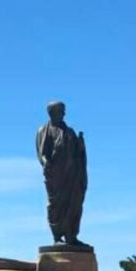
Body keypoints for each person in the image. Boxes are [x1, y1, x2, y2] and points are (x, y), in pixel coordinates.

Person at [36, 101, 89, 246]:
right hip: (56, 176)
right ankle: (58, 237)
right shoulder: (43, 130)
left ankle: (71, 235)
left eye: (64, 111)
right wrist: (46, 162)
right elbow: (42, 153)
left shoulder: (69, 131)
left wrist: (81, 146)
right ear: (52, 112)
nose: (64, 114)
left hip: (72, 176)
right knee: (56, 206)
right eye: (61, 111)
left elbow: (77, 153)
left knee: (74, 204)